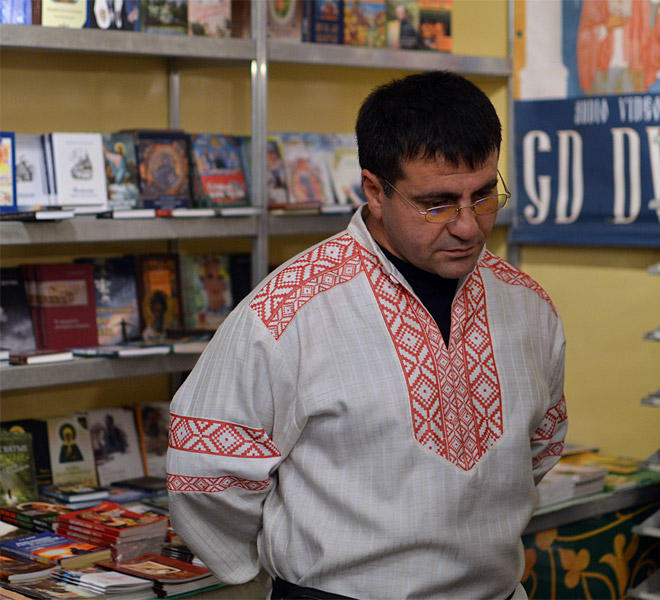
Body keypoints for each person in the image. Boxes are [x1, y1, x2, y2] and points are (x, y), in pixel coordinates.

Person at [167, 70, 567, 600]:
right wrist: (281, 572)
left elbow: (538, 450)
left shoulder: (527, 304)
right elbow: (206, 477)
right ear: (375, 191)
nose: (469, 226)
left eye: (484, 195)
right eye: (437, 203)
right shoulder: (288, 311)